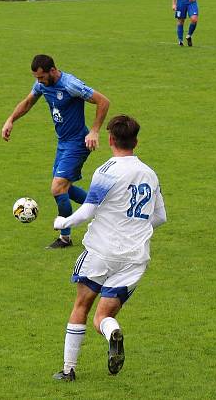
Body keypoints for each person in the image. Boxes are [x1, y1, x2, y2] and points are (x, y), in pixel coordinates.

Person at [50, 114, 167, 381]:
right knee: (102, 316)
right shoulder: (150, 174)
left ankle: (69, 370)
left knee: (82, 305)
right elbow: (160, 217)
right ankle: (112, 331)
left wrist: (63, 221)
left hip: (102, 252)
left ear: (111, 139)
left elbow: (88, 211)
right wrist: (135, 227)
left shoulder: (107, 170)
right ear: (135, 141)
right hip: (135, 257)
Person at [1, 54, 111, 249]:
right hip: (63, 143)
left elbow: (103, 101)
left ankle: (65, 237)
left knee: (57, 188)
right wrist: (10, 120)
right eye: (36, 78)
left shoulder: (70, 85)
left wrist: (94, 131)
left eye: (41, 77)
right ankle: (106, 211)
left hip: (77, 143)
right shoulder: (43, 85)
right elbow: (28, 102)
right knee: (64, 189)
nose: (39, 82)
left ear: (52, 71)